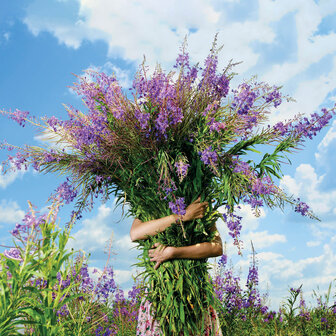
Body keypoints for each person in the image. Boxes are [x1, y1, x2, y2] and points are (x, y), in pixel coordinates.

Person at [130, 196, 223, 336]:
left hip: (195, 293)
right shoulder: (147, 200)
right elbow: (135, 233)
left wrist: (173, 252)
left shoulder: (198, 197)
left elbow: (216, 248)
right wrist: (182, 216)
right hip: (160, 294)